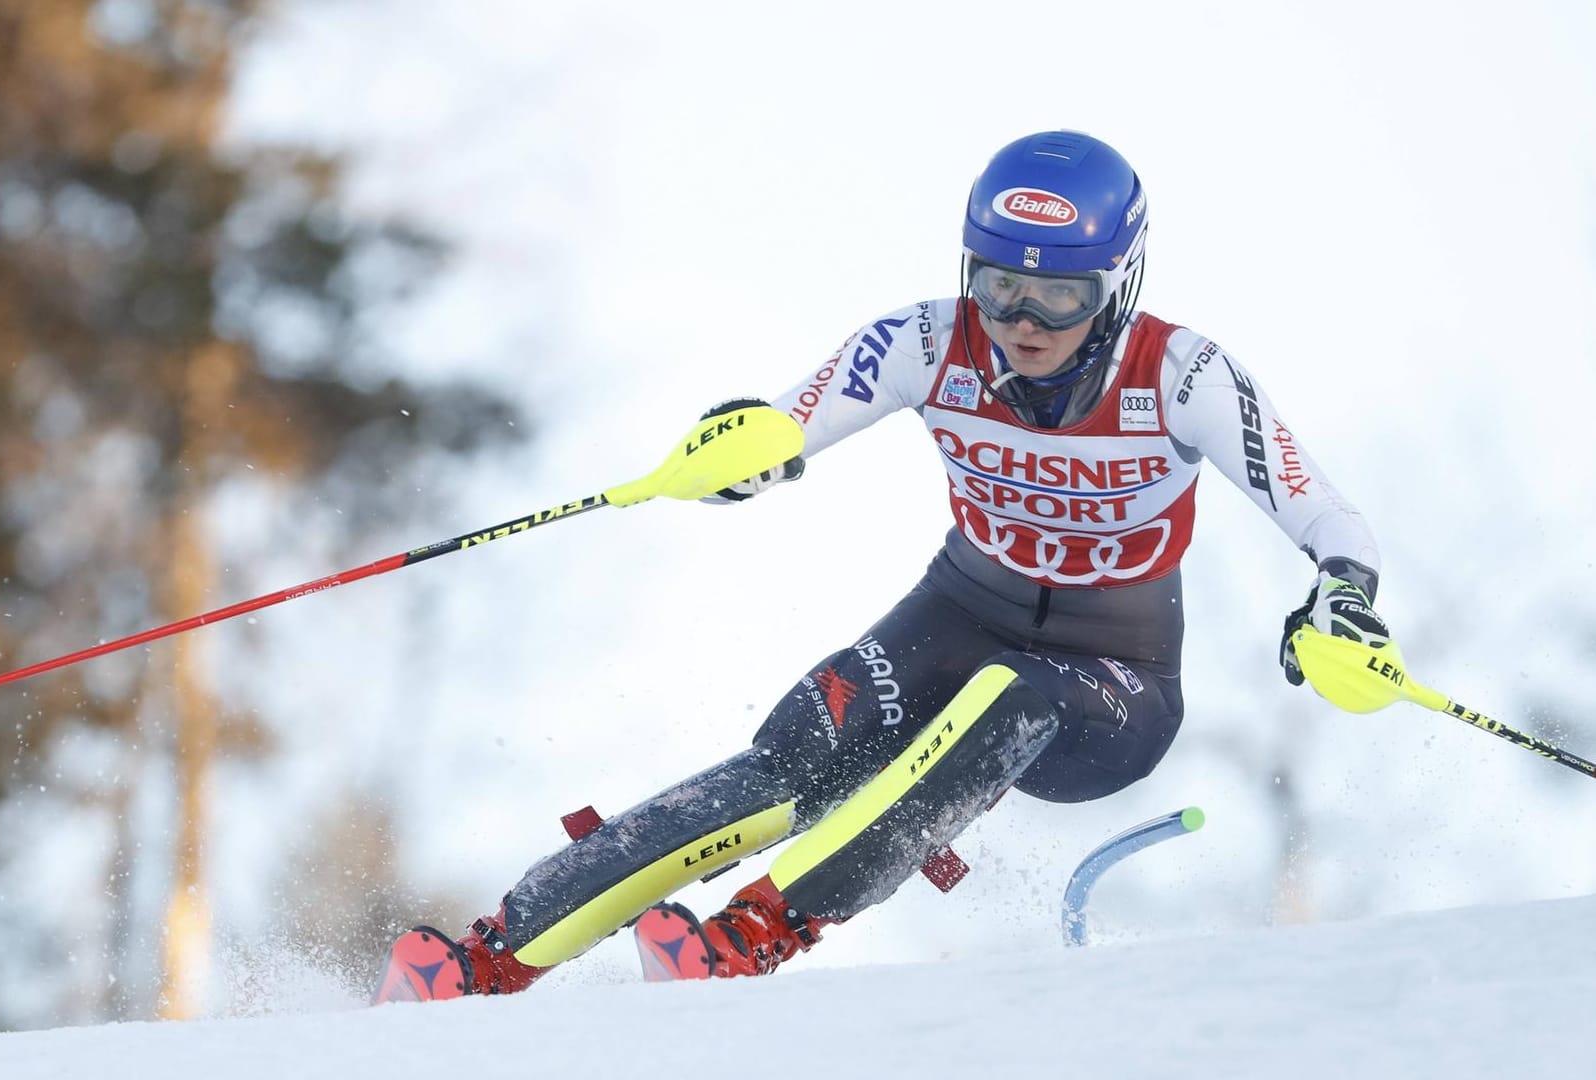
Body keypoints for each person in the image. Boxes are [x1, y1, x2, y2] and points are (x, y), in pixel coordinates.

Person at [373, 129, 1393, 1002]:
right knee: (796, 753)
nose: (1024, 324)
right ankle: (490, 960)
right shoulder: (923, 341)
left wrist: (1342, 599)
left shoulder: (1182, 375)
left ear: (1119, 285)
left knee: (1008, 694)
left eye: (1059, 298)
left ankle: (757, 934)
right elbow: (787, 427)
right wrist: (739, 456)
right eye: (999, 288)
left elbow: (1328, 515)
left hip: (1113, 684)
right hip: (960, 612)